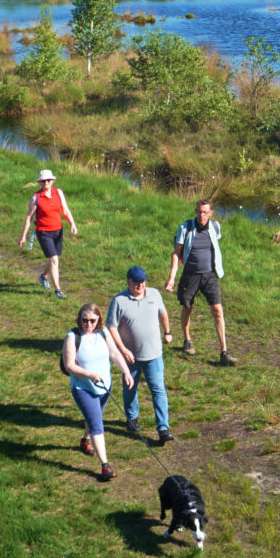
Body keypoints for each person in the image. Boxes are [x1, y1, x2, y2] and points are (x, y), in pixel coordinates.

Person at [105, 265, 174, 444]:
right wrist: (123, 350)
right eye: (136, 282)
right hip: (131, 356)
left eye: (143, 281)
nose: (140, 285)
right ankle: (132, 417)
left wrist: (167, 332)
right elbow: (111, 327)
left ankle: (163, 428)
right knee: (130, 389)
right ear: (128, 282)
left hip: (154, 354)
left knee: (158, 390)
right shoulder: (119, 301)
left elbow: (163, 313)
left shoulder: (154, 294)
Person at [65, 303, 134, 482]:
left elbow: (115, 354)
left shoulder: (103, 333)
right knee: (97, 424)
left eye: (92, 320)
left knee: (94, 417)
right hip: (83, 388)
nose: (88, 324)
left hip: (104, 387)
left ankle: (84, 440)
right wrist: (89, 374)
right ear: (79, 319)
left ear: (98, 320)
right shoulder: (73, 337)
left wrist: (126, 372)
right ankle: (105, 466)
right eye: (85, 320)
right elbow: (69, 365)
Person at [166, 199, 237, 366]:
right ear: (195, 211)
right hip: (190, 275)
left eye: (205, 212)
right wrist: (171, 278)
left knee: (217, 310)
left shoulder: (215, 227)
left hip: (210, 275)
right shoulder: (185, 227)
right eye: (199, 211)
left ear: (211, 213)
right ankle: (187, 340)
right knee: (187, 307)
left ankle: (224, 352)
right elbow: (176, 254)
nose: (201, 215)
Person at [19, 168, 78, 299]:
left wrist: (72, 224)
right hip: (43, 232)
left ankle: (43, 276)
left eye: (48, 180)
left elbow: (65, 210)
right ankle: (58, 290)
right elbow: (29, 217)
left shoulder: (58, 193)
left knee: (53, 258)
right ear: (40, 182)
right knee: (54, 259)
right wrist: (23, 236)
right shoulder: (36, 198)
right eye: (43, 181)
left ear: (52, 181)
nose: (46, 183)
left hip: (58, 230)